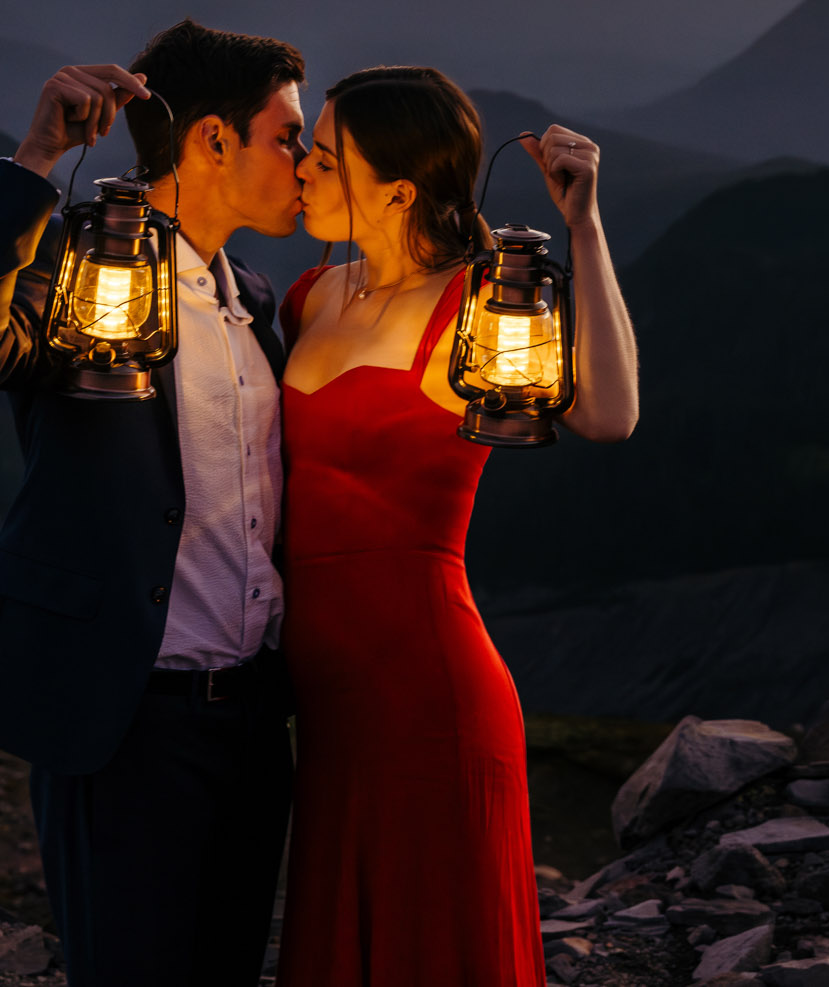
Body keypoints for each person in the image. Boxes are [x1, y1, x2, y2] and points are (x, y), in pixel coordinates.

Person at [0, 18, 310, 987]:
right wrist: (39, 154)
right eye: (287, 134)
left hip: (253, 722)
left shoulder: (251, 297)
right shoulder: (94, 275)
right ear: (213, 137)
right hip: (129, 722)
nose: (304, 159)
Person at [274, 65, 640, 985]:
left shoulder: (480, 303)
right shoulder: (313, 294)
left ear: (395, 189)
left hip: (429, 698)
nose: (302, 171)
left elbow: (610, 414)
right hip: (320, 706)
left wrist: (583, 227)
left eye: (323, 156)